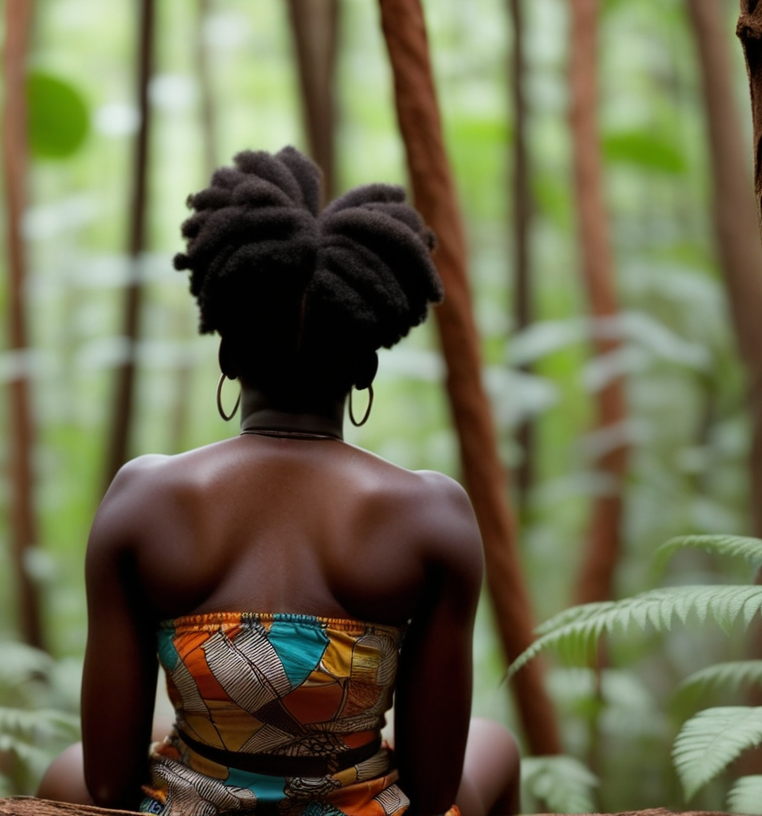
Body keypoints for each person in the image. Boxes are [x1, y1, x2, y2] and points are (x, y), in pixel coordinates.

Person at [38, 147, 520, 816]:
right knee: (495, 744)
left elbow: (106, 785)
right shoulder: (433, 513)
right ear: (365, 369)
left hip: (190, 808)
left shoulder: (142, 497)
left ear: (228, 352)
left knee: (65, 771)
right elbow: (434, 789)